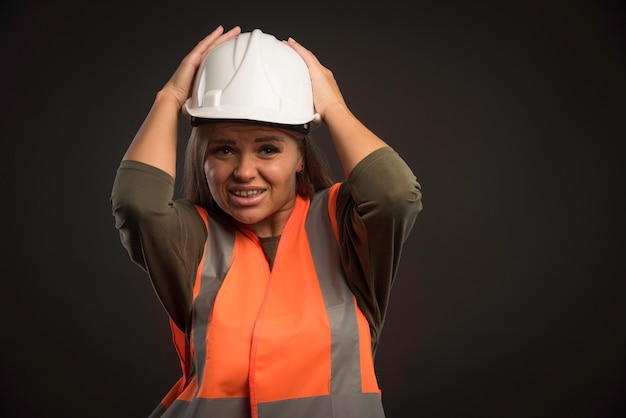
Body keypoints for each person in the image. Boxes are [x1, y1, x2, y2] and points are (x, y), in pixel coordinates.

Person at [111, 25, 422, 418]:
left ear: (301, 158)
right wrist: (169, 98)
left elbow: (395, 192)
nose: (244, 171)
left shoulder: (344, 225)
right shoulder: (195, 238)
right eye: (224, 150)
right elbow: (137, 203)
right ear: (202, 160)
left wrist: (333, 107)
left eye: (268, 149)